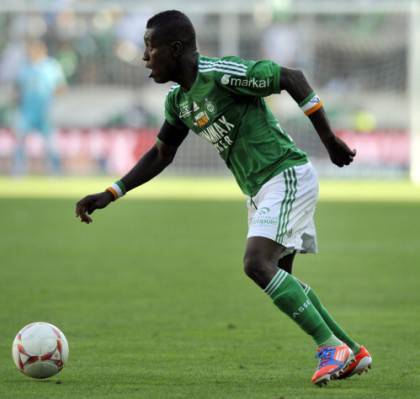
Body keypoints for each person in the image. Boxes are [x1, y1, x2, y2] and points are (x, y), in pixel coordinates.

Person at [75, 10, 372, 386]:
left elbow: (291, 78)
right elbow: (161, 154)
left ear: (176, 48)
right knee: (277, 275)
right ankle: (351, 349)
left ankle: (330, 347)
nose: (144, 57)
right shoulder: (178, 101)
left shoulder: (221, 73)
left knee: (256, 263)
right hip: (260, 189)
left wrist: (329, 140)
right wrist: (111, 192)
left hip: (286, 174)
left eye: (150, 48)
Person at [13, 39, 66, 175]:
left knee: (50, 143)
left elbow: (61, 86)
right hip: (27, 111)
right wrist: (16, 99)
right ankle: (19, 169)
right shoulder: (25, 68)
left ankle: (55, 170)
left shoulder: (51, 66)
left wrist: (52, 98)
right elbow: (17, 88)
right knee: (20, 140)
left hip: (45, 110)